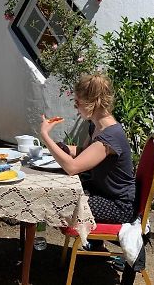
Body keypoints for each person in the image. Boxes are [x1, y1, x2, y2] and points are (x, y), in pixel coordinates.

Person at [40, 73, 135, 225]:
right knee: (55, 193)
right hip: (101, 192)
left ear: (93, 103)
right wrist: (61, 147)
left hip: (118, 205)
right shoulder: (96, 126)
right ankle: (93, 244)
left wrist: (45, 135)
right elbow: (85, 152)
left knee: (62, 203)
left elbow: (72, 167)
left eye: (77, 102)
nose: (75, 106)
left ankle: (91, 244)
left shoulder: (110, 137)